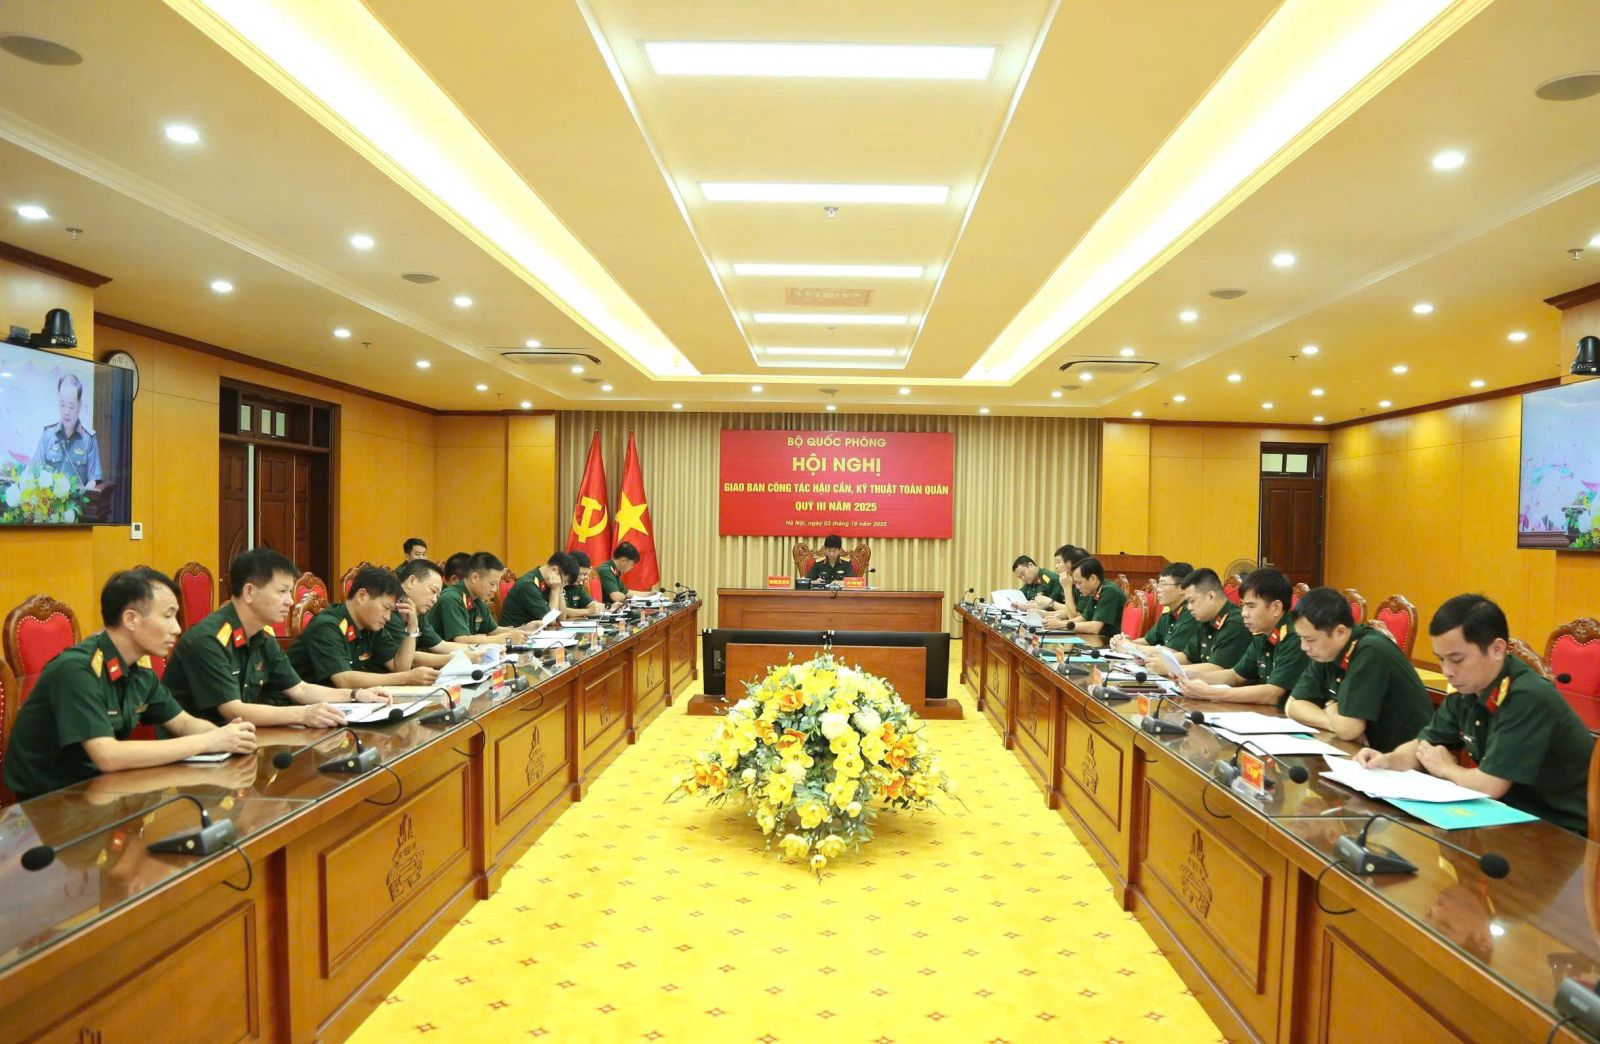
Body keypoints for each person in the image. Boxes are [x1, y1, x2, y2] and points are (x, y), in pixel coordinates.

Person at [3, 567, 257, 801]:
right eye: (168, 616)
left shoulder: (140, 672)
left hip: (100, 790)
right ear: (131, 619)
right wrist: (210, 742)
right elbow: (108, 756)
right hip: (47, 803)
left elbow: (183, 723)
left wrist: (229, 736)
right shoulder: (77, 670)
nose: (178, 628)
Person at [1355, 594, 1594, 834]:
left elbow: (1490, 785)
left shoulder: (1526, 697)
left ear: (1497, 649)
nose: (1447, 671)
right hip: (1505, 819)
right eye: (1441, 660)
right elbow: (1423, 746)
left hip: (1561, 833)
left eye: (1457, 659)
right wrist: (1387, 760)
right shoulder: (1467, 690)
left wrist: (1447, 769)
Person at [165, 549, 392, 727]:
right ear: (249, 592)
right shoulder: (208, 639)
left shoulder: (261, 638)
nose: (290, 601)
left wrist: (355, 695)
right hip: (194, 754)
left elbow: (300, 689)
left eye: (290, 592)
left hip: (236, 742)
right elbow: (233, 711)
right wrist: (303, 714)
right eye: (282, 591)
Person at [1284, 586, 1433, 750]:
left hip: (1410, 757)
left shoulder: (1370, 650)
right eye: (1301, 638)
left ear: (1340, 632)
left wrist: (1330, 707)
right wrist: (1332, 721)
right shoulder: (1326, 652)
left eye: (1310, 639)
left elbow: (1349, 729)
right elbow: (1292, 706)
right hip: (1369, 753)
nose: (1304, 647)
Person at [1177, 568, 1309, 707]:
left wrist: (1210, 693)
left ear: (1276, 607)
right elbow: (1236, 675)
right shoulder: (1261, 633)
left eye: (1251, 606)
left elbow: (1273, 694)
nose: (1244, 613)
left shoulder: (1296, 636)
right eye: (1243, 605)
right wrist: (1192, 675)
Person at [288, 566, 432, 689]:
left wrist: (412, 627)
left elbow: (399, 667)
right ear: (362, 596)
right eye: (385, 607)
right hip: (297, 706)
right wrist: (406, 678)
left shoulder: (371, 626)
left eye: (391, 611)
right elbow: (343, 680)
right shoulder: (327, 626)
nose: (388, 617)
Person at [383, 558, 484, 669]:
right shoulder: (390, 611)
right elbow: (408, 660)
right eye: (433, 591)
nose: (435, 600)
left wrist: (480, 649)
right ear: (411, 581)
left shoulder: (417, 610)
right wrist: (460, 658)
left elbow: (440, 645)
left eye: (437, 595)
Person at [1150, 568, 1249, 675]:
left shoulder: (1235, 623)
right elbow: (1188, 656)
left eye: (1192, 601)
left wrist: (1169, 668)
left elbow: (1217, 668)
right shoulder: (1206, 619)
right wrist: (1158, 661)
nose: (1189, 607)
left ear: (1211, 596)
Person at [428, 551, 527, 644]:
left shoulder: (477, 598)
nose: (495, 589)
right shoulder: (451, 598)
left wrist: (524, 630)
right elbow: (461, 640)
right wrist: (506, 638)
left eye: (497, 584)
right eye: (492, 584)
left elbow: (493, 630)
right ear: (475, 577)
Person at [1111, 561, 1196, 663]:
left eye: (1163, 585)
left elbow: (1172, 651)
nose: (1158, 590)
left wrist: (1129, 646)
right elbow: (1148, 640)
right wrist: (1123, 642)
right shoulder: (1169, 612)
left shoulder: (1191, 613)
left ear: (1182, 588)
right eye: (1158, 584)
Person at [32, 373, 102, 489]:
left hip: (77, 500)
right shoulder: (48, 434)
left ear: (79, 405)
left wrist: (84, 495)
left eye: (71, 406)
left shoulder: (89, 438)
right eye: (62, 404)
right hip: (48, 499)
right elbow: (34, 471)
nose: (66, 412)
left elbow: (93, 480)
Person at [500, 553, 578, 628]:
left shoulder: (549, 583)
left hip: (534, 632)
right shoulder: (528, 584)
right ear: (554, 570)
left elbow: (562, 618)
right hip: (515, 633)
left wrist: (560, 590)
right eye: (563, 581)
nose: (561, 584)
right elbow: (550, 620)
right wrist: (555, 590)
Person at [561, 551, 603, 619]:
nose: (582, 578)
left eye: (585, 574)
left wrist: (609, 607)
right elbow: (562, 611)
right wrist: (587, 611)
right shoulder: (558, 585)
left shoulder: (577, 587)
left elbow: (592, 605)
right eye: (579, 574)